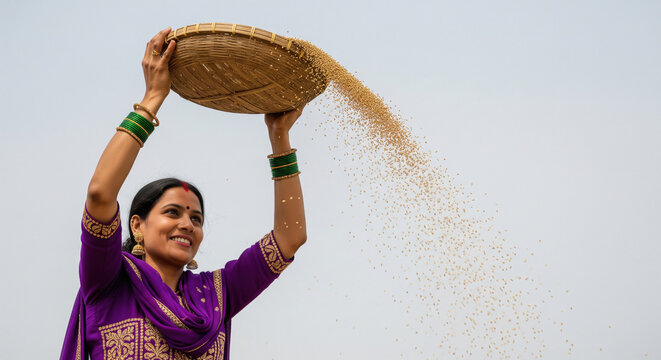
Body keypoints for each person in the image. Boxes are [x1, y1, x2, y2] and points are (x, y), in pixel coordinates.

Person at [60, 27, 307, 360]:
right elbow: (100, 194)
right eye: (172, 212)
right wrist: (152, 99)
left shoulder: (219, 296)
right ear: (137, 226)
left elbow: (289, 238)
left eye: (196, 218)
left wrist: (279, 137)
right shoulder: (107, 282)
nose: (188, 224)